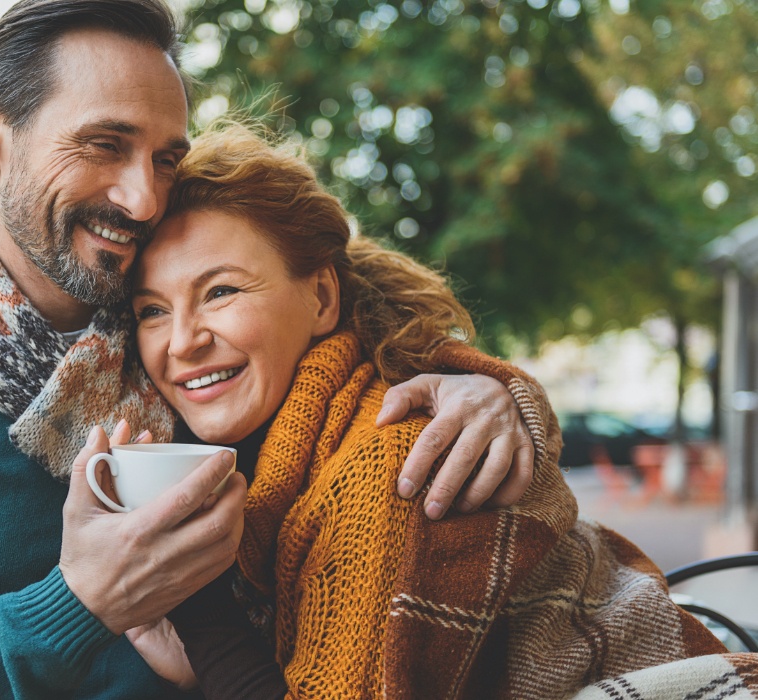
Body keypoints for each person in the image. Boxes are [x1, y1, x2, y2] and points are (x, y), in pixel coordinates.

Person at [0, 1, 549, 698]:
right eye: (104, 144)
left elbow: (352, 311)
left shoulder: (189, 362)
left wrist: (478, 384)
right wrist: (78, 604)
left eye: (166, 159)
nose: (144, 199)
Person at [114, 121, 749, 698]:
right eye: (152, 310)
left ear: (322, 297)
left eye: (221, 290)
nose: (181, 341)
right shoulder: (285, 450)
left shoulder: (386, 461)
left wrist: (196, 605)